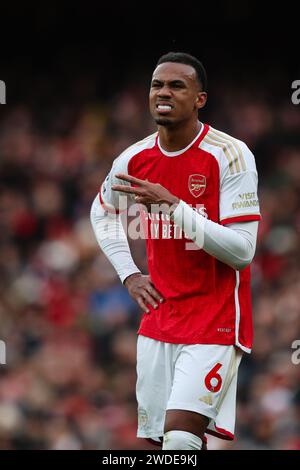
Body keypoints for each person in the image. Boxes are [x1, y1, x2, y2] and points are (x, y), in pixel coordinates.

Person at [90, 52, 261, 450]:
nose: (163, 92)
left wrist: (173, 207)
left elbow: (242, 251)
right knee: (157, 445)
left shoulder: (230, 155)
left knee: (181, 439)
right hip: (159, 318)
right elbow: (102, 212)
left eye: (176, 85)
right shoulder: (134, 158)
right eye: (156, 85)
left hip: (214, 320)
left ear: (200, 98)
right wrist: (128, 273)